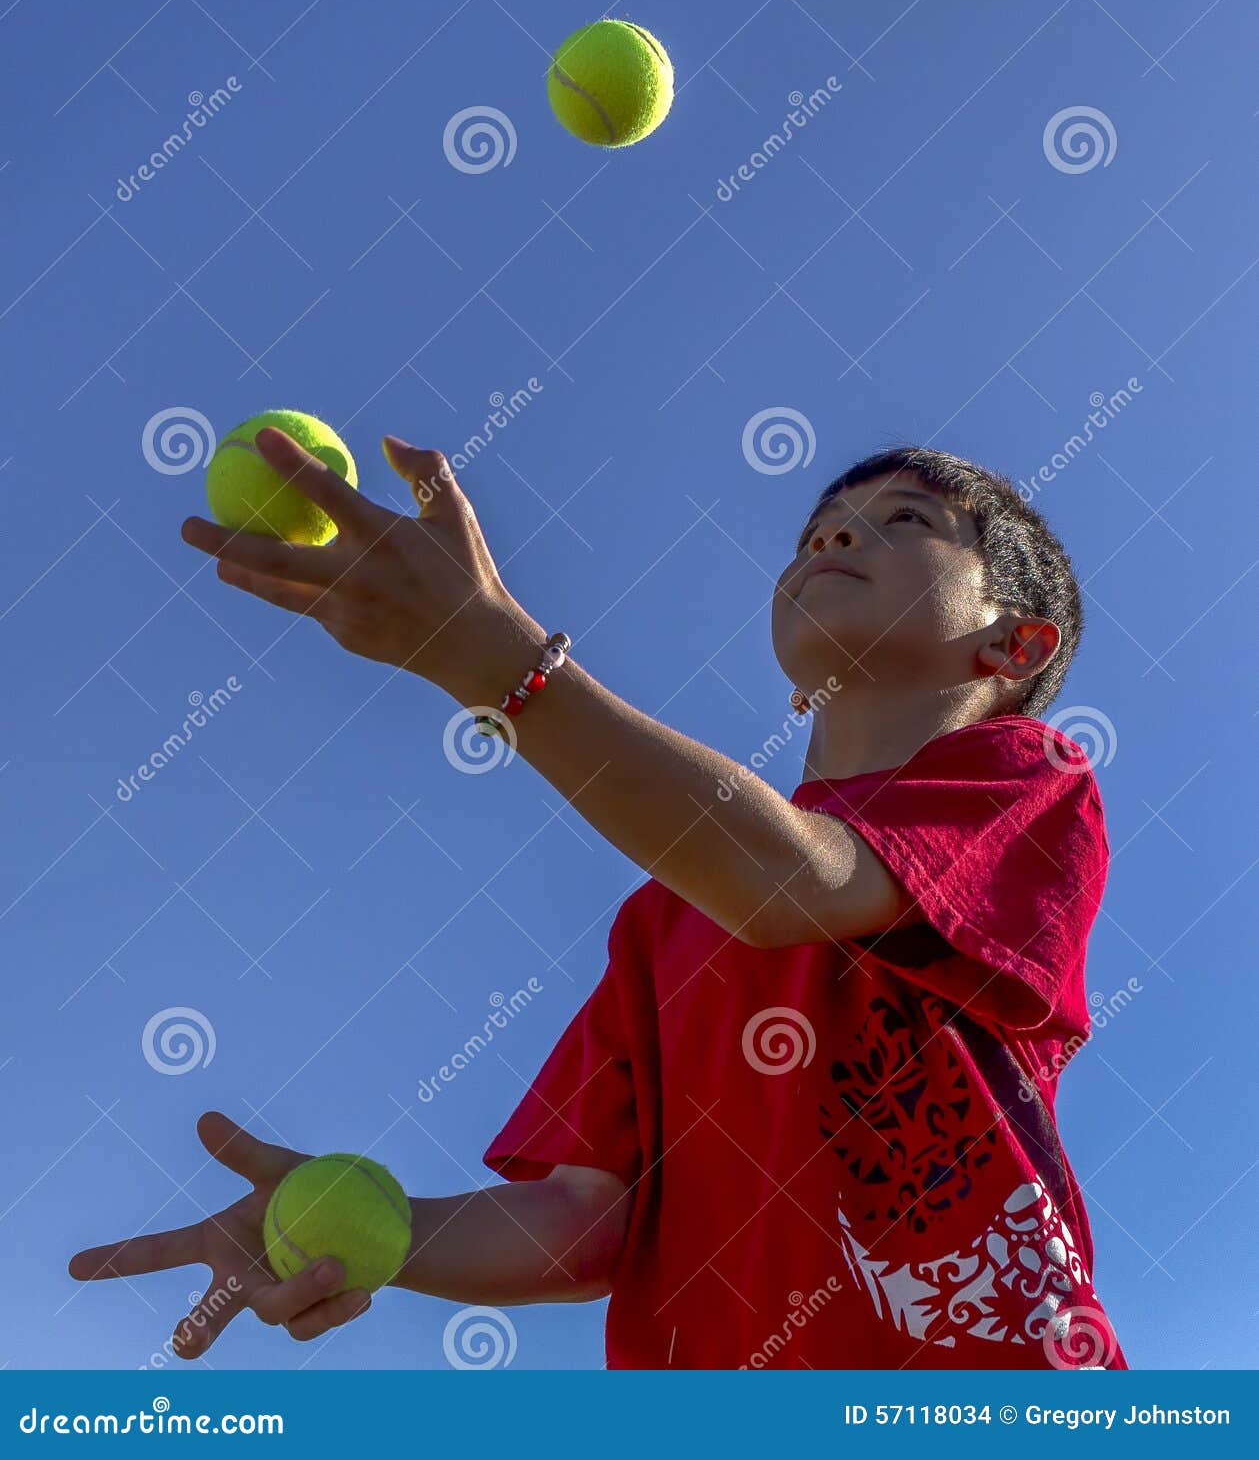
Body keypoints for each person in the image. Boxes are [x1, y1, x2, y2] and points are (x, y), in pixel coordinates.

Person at [70, 430, 1127, 1370]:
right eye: (819, 528)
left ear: (1013, 643)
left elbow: (788, 879)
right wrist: (371, 1232)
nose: (834, 540)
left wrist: (487, 658)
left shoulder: (1025, 778)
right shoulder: (663, 913)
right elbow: (583, 1220)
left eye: (904, 521)